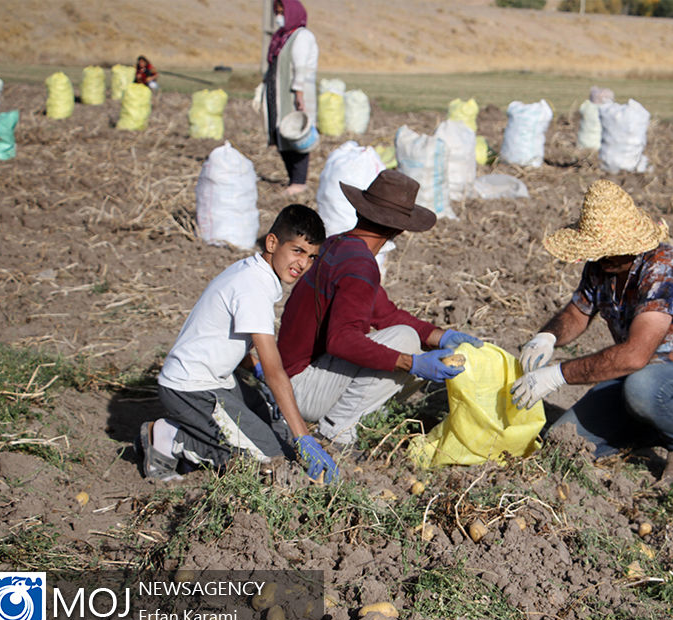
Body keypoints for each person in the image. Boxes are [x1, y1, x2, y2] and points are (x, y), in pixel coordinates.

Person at [510, 180, 673, 487]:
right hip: (640, 375)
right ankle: (651, 425)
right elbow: (577, 312)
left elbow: (633, 356)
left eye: (605, 252)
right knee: (562, 444)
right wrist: (547, 337)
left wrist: (557, 375)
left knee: (643, 388)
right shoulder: (602, 267)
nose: (598, 259)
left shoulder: (663, 268)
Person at [277, 170, 484, 446]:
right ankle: (336, 430)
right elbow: (341, 340)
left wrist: (441, 336)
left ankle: (360, 415)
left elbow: (385, 314)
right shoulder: (360, 264)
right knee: (406, 342)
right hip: (298, 388)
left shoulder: (339, 245)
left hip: (289, 378)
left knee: (415, 344)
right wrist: (411, 362)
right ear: (399, 229)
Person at [137, 204, 338, 483]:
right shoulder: (253, 287)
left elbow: (229, 337)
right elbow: (274, 369)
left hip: (214, 379)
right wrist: (303, 436)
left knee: (274, 424)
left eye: (312, 256)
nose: (303, 264)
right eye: (297, 251)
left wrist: (254, 372)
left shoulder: (254, 273)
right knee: (269, 462)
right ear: (272, 242)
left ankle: (199, 436)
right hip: (190, 388)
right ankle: (170, 439)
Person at [263, 0, 318, 196]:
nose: (279, 16)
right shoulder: (282, 37)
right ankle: (292, 178)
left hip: (294, 94)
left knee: (295, 134)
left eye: (281, 12)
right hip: (279, 93)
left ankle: (299, 181)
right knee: (281, 134)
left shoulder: (301, 36)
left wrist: (299, 93)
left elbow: (300, 67)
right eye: (276, 12)